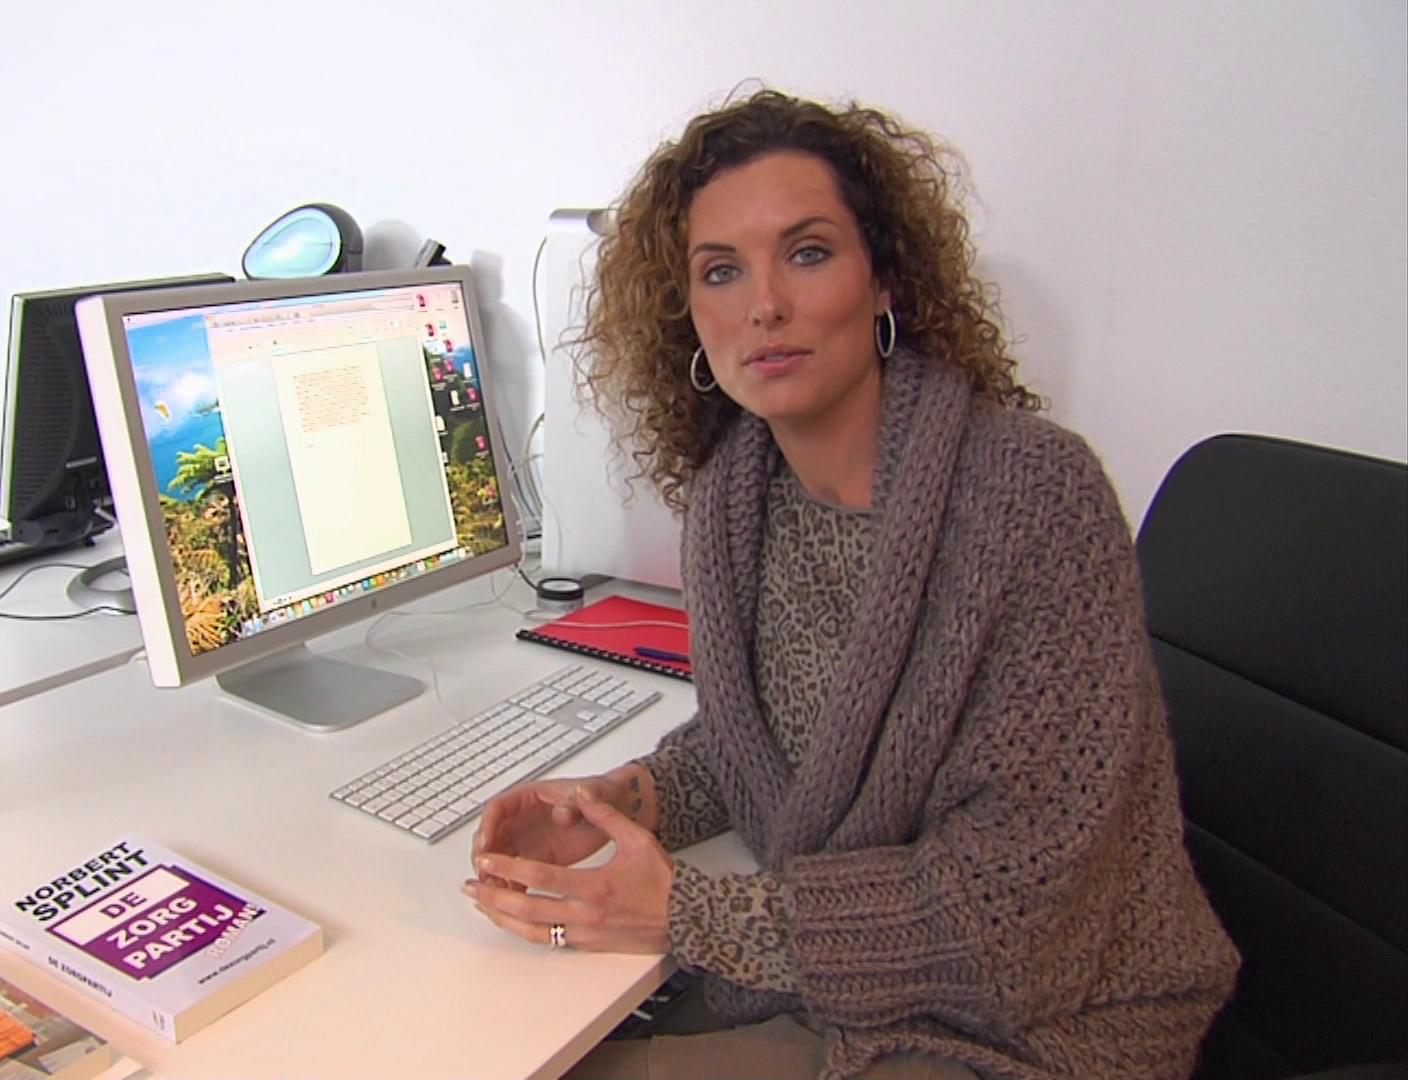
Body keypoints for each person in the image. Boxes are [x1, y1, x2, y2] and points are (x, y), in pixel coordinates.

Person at [463, 87, 1240, 1080]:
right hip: (849, 984)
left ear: (884, 281)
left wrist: (693, 913)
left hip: (1049, 1024)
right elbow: (766, 751)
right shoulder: (736, 498)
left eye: (808, 252)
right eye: (721, 271)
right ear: (688, 316)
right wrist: (623, 799)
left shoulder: (1033, 496)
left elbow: (1021, 904)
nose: (765, 305)